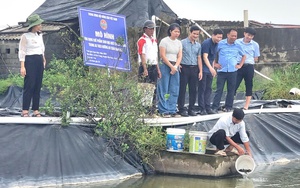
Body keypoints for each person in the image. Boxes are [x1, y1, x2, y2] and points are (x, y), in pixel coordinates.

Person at [211, 28, 246, 113]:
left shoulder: (238, 45)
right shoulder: (221, 43)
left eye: (235, 36)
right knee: (219, 89)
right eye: (232, 35)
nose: (234, 37)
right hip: (222, 71)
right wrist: (215, 64)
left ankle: (228, 106)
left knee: (231, 90)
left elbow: (244, 56)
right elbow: (213, 53)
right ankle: (215, 107)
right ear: (228, 35)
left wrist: (240, 65)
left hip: (232, 71)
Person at [19, 14, 46, 117]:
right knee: (29, 84)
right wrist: (22, 66)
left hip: (39, 60)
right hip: (30, 60)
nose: (40, 25)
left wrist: (43, 58)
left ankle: (36, 109)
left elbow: (42, 48)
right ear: (34, 25)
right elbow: (22, 51)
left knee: (37, 85)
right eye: (39, 24)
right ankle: (25, 110)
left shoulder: (40, 35)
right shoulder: (25, 36)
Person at [157, 23, 182, 117]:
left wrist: (175, 66)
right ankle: (163, 109)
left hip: (175, 65)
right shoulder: (164, 41)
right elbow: (162, 55)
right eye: (175, 31)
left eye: (178, 32)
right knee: (164, 87)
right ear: (170, 31)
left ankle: (172, 109)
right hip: (165, 65)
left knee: (174, 88)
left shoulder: (179, 43)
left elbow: (179, 56)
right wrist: (171, 66)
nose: (177, 33)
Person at [177, 25, 202, 117]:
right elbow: (178, 54)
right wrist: (178, 63)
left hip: (194, 68)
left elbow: (199, 58)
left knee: (193, 90)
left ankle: (191, 108)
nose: (195, 36)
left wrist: (200, 71)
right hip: (184, 68)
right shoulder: (182, 43)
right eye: (194, 33)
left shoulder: (198, 45)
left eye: (197, 34)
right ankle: (181, 108)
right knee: (182, 89)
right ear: (190, 32)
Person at [137, 20, 161, 114]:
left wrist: (158, 69)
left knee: (153, 87)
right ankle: (143, 109)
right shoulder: (142, 40)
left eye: (153, 29)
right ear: (145, 29)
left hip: (154, 65)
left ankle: (152, 109)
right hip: (145, 65)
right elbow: (142, 54)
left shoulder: (154, 40)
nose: (152, 31)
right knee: (144, 88)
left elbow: (155, 55)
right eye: (150, 29)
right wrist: (145, 68)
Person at [198, 29, 223, 115]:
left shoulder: (216, 44)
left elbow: (212, 58)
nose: (219, 39)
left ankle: (208, 107)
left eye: (220, 37)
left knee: (209, 89)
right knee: (202, 89)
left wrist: (213, 69)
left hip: (209, 70)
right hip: (204, 69)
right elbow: (205, 57)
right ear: (213, 35)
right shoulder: (206, 43)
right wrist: (210, 68)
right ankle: (202, 108)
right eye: (218, 37)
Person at [235, 27, 260, 110]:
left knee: (249, 85)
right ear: (244, 33)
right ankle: (229, 103)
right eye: (248, 35)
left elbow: (256, 57)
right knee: (234, 84)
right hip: (238, 66)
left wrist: (249, 60)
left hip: (249, 66)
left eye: (251, 36)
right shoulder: (237, 42)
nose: (249, 37)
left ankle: (246, 105)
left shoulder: (255, 45)